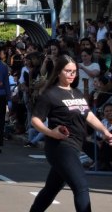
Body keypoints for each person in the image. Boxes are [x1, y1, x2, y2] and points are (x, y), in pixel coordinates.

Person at [29, 55, 112, 212]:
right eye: (68, 71)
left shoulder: (77, 93)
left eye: (74, 71)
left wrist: (105, 132)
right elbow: (35, 120)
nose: (72, 75)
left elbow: (88, 115)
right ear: (59, 72)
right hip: (59, 147)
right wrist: (50, 132)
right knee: (81, 186)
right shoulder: (50, 94)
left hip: (75, 146)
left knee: (51, 189)